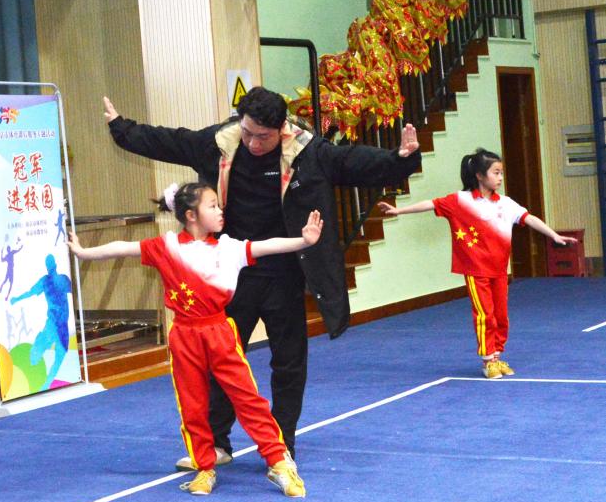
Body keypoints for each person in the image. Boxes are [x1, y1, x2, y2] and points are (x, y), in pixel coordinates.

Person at [104, 87, 421, 468]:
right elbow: (169, 141)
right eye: (248, 132)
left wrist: (400, 159)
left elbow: (354, 161)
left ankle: (281, 442)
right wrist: (121, 128)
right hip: (232, 273)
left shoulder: (308, 152)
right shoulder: (219, 144)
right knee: (221, 361)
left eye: (263, 137)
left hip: (285, 273)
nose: (253, 143)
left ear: (281, 128)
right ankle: (216, 444)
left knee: (288, 362)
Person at [68, 181, 321, 497]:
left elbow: (266, 245)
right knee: (193, 405)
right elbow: (122, 247)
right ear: (191, 215)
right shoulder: (167, 247)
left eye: (218, 205)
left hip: (220, 334)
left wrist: (303, 240)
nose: (220, 211)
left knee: (248, 399)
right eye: (212, 206)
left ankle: (278, 462)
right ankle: (204, 468)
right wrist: (83, 253)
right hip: (184, 338)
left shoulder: (228, 248)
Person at [378, 148, 577, 378]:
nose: (500, 178)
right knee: (485, 314)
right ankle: (487, 360)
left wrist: (554, 235)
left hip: (499, 270)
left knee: (501, 315)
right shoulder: (460, 201)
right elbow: (430, 204)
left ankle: (497, 356)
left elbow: (529, 218)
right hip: (476, 270)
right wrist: (399, 210)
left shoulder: (506, 203)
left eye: (501, 173)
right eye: (496, 173)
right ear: (480, 176)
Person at [10, 253, 73, 391]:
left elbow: (75, 290)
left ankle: (46, 384)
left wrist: (17, 299)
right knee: (39, 351)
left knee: (60, 355)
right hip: (53, 324)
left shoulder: (61, 280)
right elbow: (30, 292)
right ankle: (32, 377)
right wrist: (17, 299)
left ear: (53, 266)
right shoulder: (47, 281)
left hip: (62, 325)